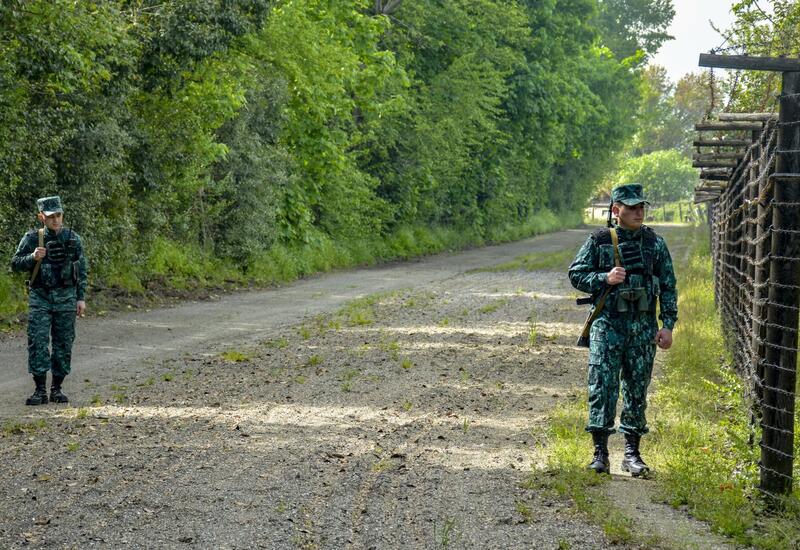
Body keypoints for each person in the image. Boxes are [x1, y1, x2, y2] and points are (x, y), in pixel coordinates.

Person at [568, 183, 677, 476]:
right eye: (632, 208)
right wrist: (605, 277)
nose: (639, 212)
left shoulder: (655, 243)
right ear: (617, 210)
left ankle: (632, 453)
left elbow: (667, 286)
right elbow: (576, 274)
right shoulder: (599, 240)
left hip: (642, 326)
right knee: (602, 385)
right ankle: (600, 452)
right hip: (608, 324)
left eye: (641, 207)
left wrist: (667, 325)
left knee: (637, 388)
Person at [11, 196, 88, 405]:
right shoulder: (32, 238)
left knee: (63, 343)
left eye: (58, 215)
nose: (55, 220)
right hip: (40, 297)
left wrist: (81, 298)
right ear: (41, 217)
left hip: (66, 297)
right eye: (50, 216)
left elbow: (81, 270)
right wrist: (32, 257)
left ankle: (56, 388)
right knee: (38, 341)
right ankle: (39, 390)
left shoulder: (73, 239)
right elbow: (15, 264)